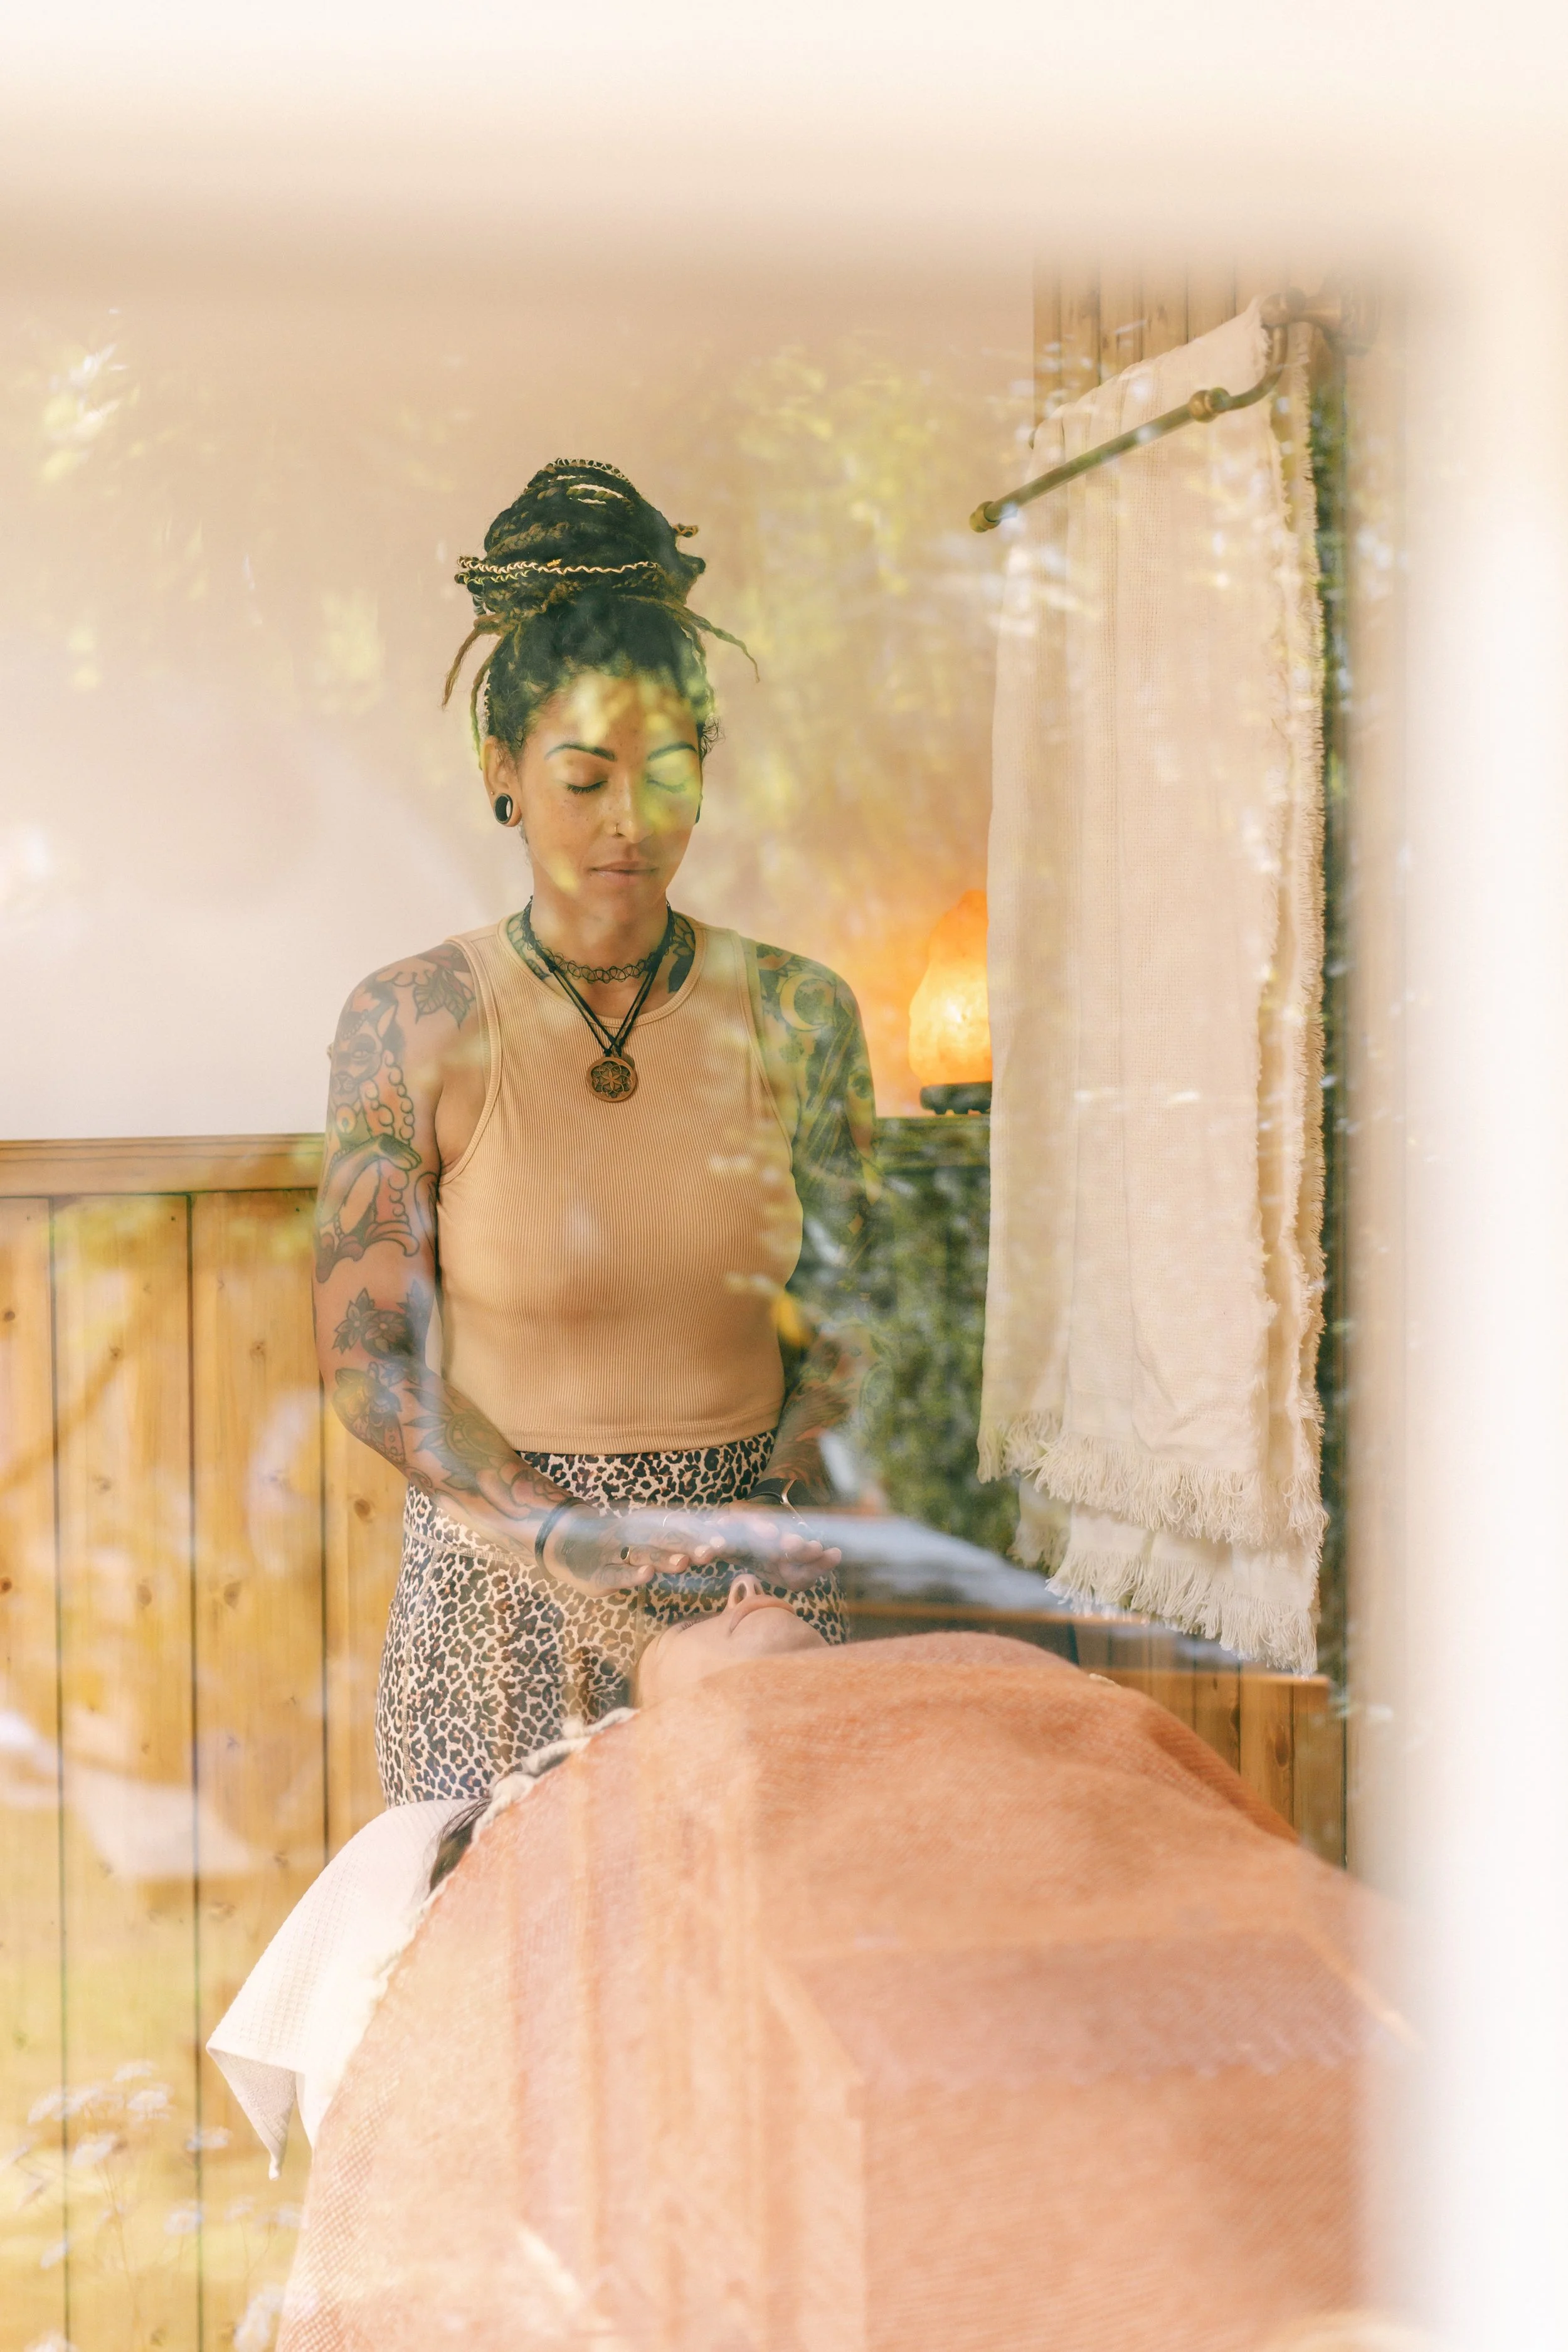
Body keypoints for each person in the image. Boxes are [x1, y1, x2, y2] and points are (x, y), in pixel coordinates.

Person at [310, 458, 878, 1804]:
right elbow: (364, 1359)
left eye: (668, 772)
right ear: (502, 771)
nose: (632, 823)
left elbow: (854, 1316)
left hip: (752, 1590)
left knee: (748, 1994)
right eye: (585, 779)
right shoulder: (413, 1018)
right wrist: (560, 1531)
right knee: (516, 1988)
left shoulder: (801, 1013)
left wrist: (780, 1510)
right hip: (507, 1592)